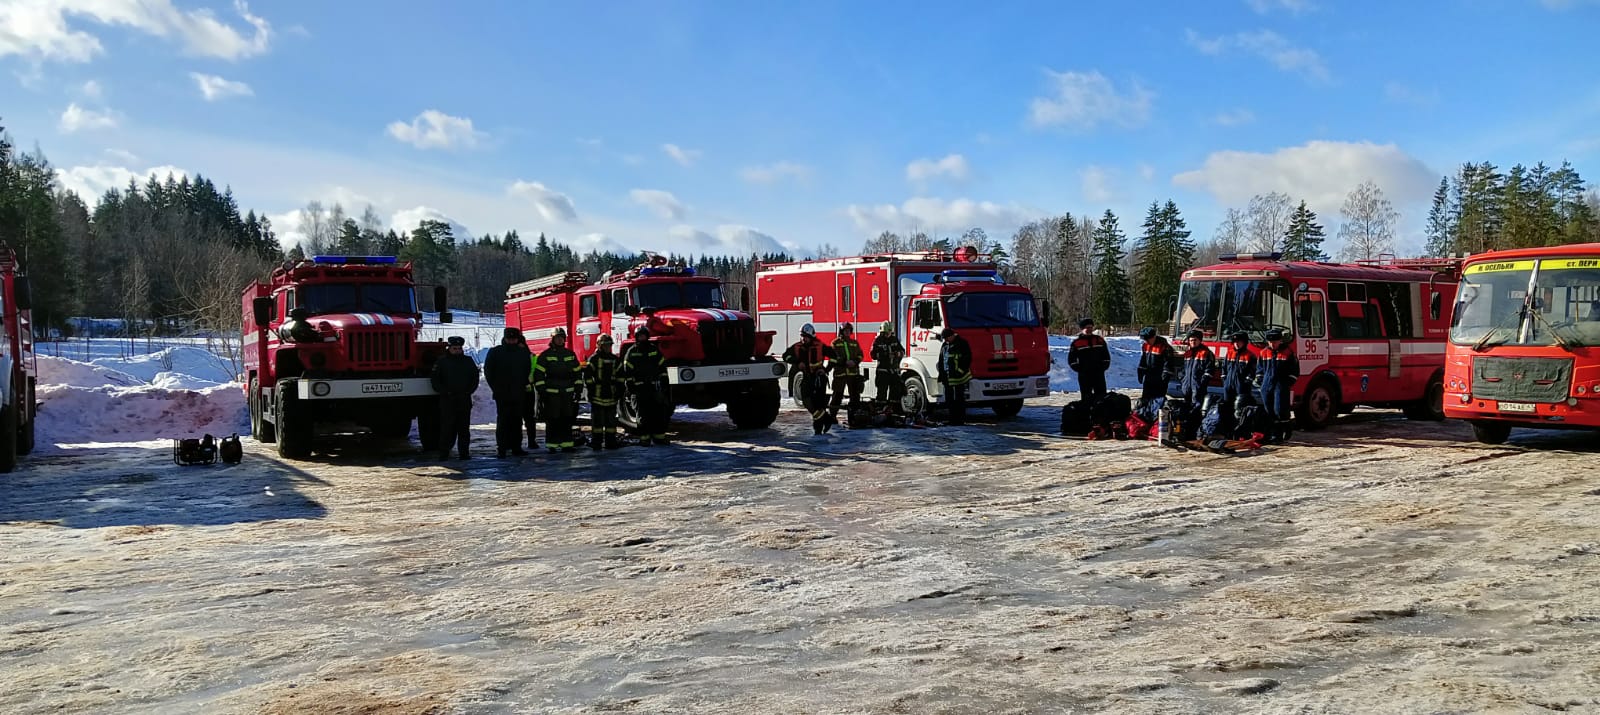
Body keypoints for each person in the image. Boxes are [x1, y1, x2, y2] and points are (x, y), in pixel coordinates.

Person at [482, 327, 532, 458]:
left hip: (518, 392)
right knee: (503, 422)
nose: (511, 341)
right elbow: (488, 371)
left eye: (514, 339)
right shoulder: (496, 352)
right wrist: (496, 388)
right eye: (509, 339)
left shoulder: (522, 352)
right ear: (504, 338)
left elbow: (527, 369)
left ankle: (516, 447)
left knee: (517, 422)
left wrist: (523, 385)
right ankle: (502, 448)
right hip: (502, 393)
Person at [429, 335, 479, 460]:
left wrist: (468, 391)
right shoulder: (442, 362)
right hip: (448, 400)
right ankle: (444, 452)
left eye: (459, 348)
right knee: (447, 428)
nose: (457, 351)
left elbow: (475, 378)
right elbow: (435, 380)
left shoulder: (468, 361)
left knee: (463, 429)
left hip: (464, 399)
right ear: (449, 348)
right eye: (454, 348)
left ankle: (464, 453)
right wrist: (444, 392)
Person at [532, 327, 580, 453]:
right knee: (553, 419)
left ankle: (567, 444)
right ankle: (552, 444)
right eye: (557, 338)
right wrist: (542, 391)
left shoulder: (570, 354)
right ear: (553, 339)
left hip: (567, 393)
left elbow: (577, 373)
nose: (560, 340)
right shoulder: (545, 356)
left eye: (562, 338)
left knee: (567, 418)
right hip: (552, 394)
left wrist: (578, 389)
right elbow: (538, 375)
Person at [782, 323, 836, 435]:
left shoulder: (820, 345)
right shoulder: (796, 347)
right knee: (806, 401)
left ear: (811, 336)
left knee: (819, 404)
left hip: (819, 378)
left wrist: (826, 370)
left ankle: (818, 430)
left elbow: (834, 356)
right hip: (806, 377)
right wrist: (797, 362)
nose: (803, 338)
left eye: (805, 336)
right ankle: (827, 419)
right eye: (801, 336)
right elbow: (785, 356)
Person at [622, 325, 671, 445]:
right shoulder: (632, 352)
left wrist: (665, 381)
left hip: (654, 387)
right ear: (636, 337)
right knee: (643, 415)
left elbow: (662, 366)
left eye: (644, 335)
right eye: (640, 336)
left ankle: (659, 437)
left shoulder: (654, 349)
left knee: (658, 413)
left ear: (647, 336)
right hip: (639, 389)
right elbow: (627, 370)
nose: (642, 338)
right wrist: (630, 385)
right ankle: (644, 438)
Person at [1257, 328, 1301, 444]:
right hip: (1267, 386)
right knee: (1269, 411)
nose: (1273, 344)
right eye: (1270, 342)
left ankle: (1285, 429)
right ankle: (1273, 434)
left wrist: (1287, 384)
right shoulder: (1263, 353)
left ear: (1280, 341)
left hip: (1280, 386)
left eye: (1275, 341)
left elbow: (1295, 371)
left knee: (1279, 410)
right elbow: (1259, 370)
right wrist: (1261, 381)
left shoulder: (1288, 352)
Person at [582, 334, 625, 450]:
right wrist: (590, 390)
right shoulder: (593, 359)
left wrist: (620, 389)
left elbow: (621, 376)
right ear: (599, 346)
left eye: (609, 346)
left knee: (611, 422)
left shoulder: (615, 360)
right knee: (597, 423)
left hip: (611, 394)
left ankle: (611, 442)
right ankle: (597, 443)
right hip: (597, 394)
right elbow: (587, 376)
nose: (607, 348)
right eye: (605, 345)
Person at [1219, 331, 1258, 436]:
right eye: (1235, 342)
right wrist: (1224, 379)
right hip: (1228, 386)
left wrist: (1246, 383)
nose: (1236, 344)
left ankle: (1239, 431)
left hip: (1241, 387)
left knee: (1240, 410)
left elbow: (1252, 372)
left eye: (1239, 342)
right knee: (1227, 407)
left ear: (1244, 343)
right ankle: (1227, 429)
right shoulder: (1229, 353)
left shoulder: (1250, 356)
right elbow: (1224, 368)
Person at [1068, 318, 1112, 403]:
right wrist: (1080, 369)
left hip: (1098, 373)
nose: (1089, 329)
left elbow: (1106, 355)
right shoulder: (1077, 343)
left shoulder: (1099, 340)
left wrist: (1104, 366)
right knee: (1086, 396)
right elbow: (1072, 359)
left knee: (1101, 395)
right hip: (1085, 374)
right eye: (1087, 328)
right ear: (1082, 329)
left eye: (1091, 327)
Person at [937, 327, 973, 426]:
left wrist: (960, 371)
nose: (945, 340)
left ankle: (960, 420)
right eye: (944, 339)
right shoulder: (945, 346)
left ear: (952, 335)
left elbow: (967, 358)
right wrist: (942, 375)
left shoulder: (962, 343)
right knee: (949, 399)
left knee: (959, 399)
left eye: (947, 338)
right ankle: (952, 419)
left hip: (959, 378)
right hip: (948, 378)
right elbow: (941, 361)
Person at [828, 322, 865, 417]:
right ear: (841, 331)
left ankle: (854, 415)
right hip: (840, 374)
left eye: (849, 330)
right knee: (837, 396)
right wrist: (844, 362)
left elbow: (860, 355)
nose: (847, 332)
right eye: (845, 330)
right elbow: (833, 357)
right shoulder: (835, 343)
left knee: (855, 396)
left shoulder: (854, 343)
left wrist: (855, 361)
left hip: (853, 374)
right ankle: (832, 416)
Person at [1135, 327, 1176, 411]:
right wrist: (1140, 372)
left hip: (1160, 379)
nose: (1146, 341)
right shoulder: (1145, 345)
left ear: (1153, 337)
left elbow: (1168, 364)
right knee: (1145, 400)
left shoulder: (1165, 347)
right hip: (1148, 377)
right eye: (1144, 340)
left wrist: (1164, 378)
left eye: (1147, 339)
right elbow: (1143, 360)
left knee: (1157, 402)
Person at [1179, 329, 1216, 418]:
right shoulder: (1187, 353)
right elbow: (1182, 369)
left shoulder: (1206, 353)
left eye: (1195, 340)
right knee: (1186, 409)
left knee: (1197, 410)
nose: (1193, 342)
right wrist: (1182, 379)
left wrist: (1202, 383)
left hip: (1198, 388)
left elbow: (1209, 370)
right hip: (1186, 387)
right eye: (1191, 340)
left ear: (1200, 340)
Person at [871, 322, 906, 413]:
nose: (888, 334)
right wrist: (886, 355)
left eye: (889, 332)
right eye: (886, 333)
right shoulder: (878, 340)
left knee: (895, 392)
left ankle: (893, 410)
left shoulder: (894, 340)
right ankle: (880, 410)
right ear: (882, 332)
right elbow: (873, 355)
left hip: (894, 371)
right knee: (881, 393)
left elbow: (902, 351)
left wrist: (898, 354)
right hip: (883, 371)